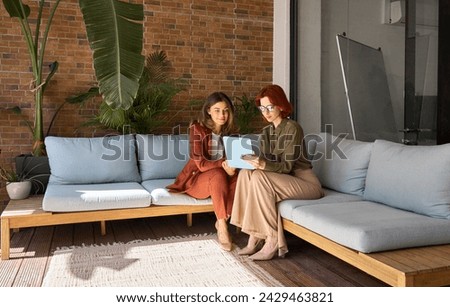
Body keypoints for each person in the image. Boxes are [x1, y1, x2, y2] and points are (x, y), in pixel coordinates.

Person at [230, 84, 324, 260]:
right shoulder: (266, 132)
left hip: (305, 182)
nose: (265, 112)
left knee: (259, 176)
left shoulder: (293, 128)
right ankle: (255, 234)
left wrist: (262, 164)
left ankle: (272, 239)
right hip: (283, 179)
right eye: (262, 108)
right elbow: (269, 162)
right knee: (246, 173)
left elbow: (287, 166)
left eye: (270, 107)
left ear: (280, 105)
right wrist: (252, 161)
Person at [167, 92, 237, 251]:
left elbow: (233, 163)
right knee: (217, 174)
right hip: (197, 180)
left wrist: (232, 170)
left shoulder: (231, 133)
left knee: (242, 175)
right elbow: (202, 165)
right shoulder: (197, 129)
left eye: (225, 110)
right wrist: (224, 163)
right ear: (208, 111)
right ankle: (222, 225)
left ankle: (228, 218)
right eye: (217, 110)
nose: (222, 115)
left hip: (222, 178)